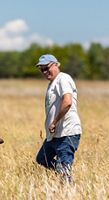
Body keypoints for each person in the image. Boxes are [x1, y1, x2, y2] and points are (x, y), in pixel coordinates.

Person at [35, 54, 82, 183]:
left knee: (64, 165)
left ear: (56, 64)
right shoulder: (52, 83)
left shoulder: (63, 78)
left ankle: (67, 187)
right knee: (42, 159)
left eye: (46, 68)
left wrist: (54, 122)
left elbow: (67, 102)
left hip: (66, 132)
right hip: (55, 134)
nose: (44, 72)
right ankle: (63, 177)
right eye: (41, 69)